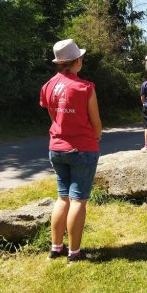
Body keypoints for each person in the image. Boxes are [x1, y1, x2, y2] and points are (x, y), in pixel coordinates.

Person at [40, 39, 102, 264]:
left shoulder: (47, 86)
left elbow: (53, 117)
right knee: (78, 201)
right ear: (76, 61)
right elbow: (96, 123)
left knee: (62, 198)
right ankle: (74, 253)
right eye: (81, 58)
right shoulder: (85, 87)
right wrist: (95, 138)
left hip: (56, 148)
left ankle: (56, 248)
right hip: (82, 149)